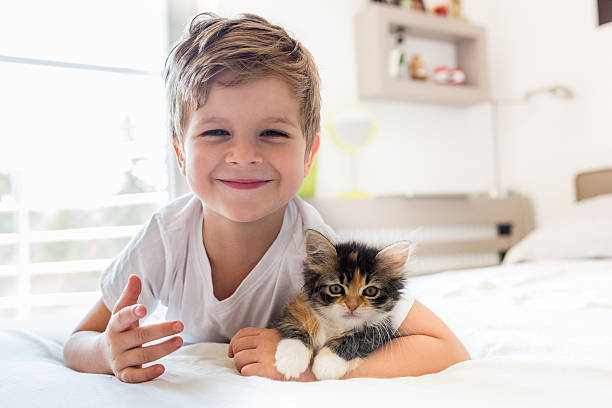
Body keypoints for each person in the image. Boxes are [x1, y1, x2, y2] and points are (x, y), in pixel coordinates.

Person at [63, 12, 470, 383]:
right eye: (216, 132)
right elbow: (80, 340)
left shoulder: (315, 246)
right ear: (180, 153)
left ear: (309, 154)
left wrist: (311, 367)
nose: (243, 156)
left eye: (272, 133)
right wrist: (106, 350)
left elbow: (445, 347)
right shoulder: (166, 237)